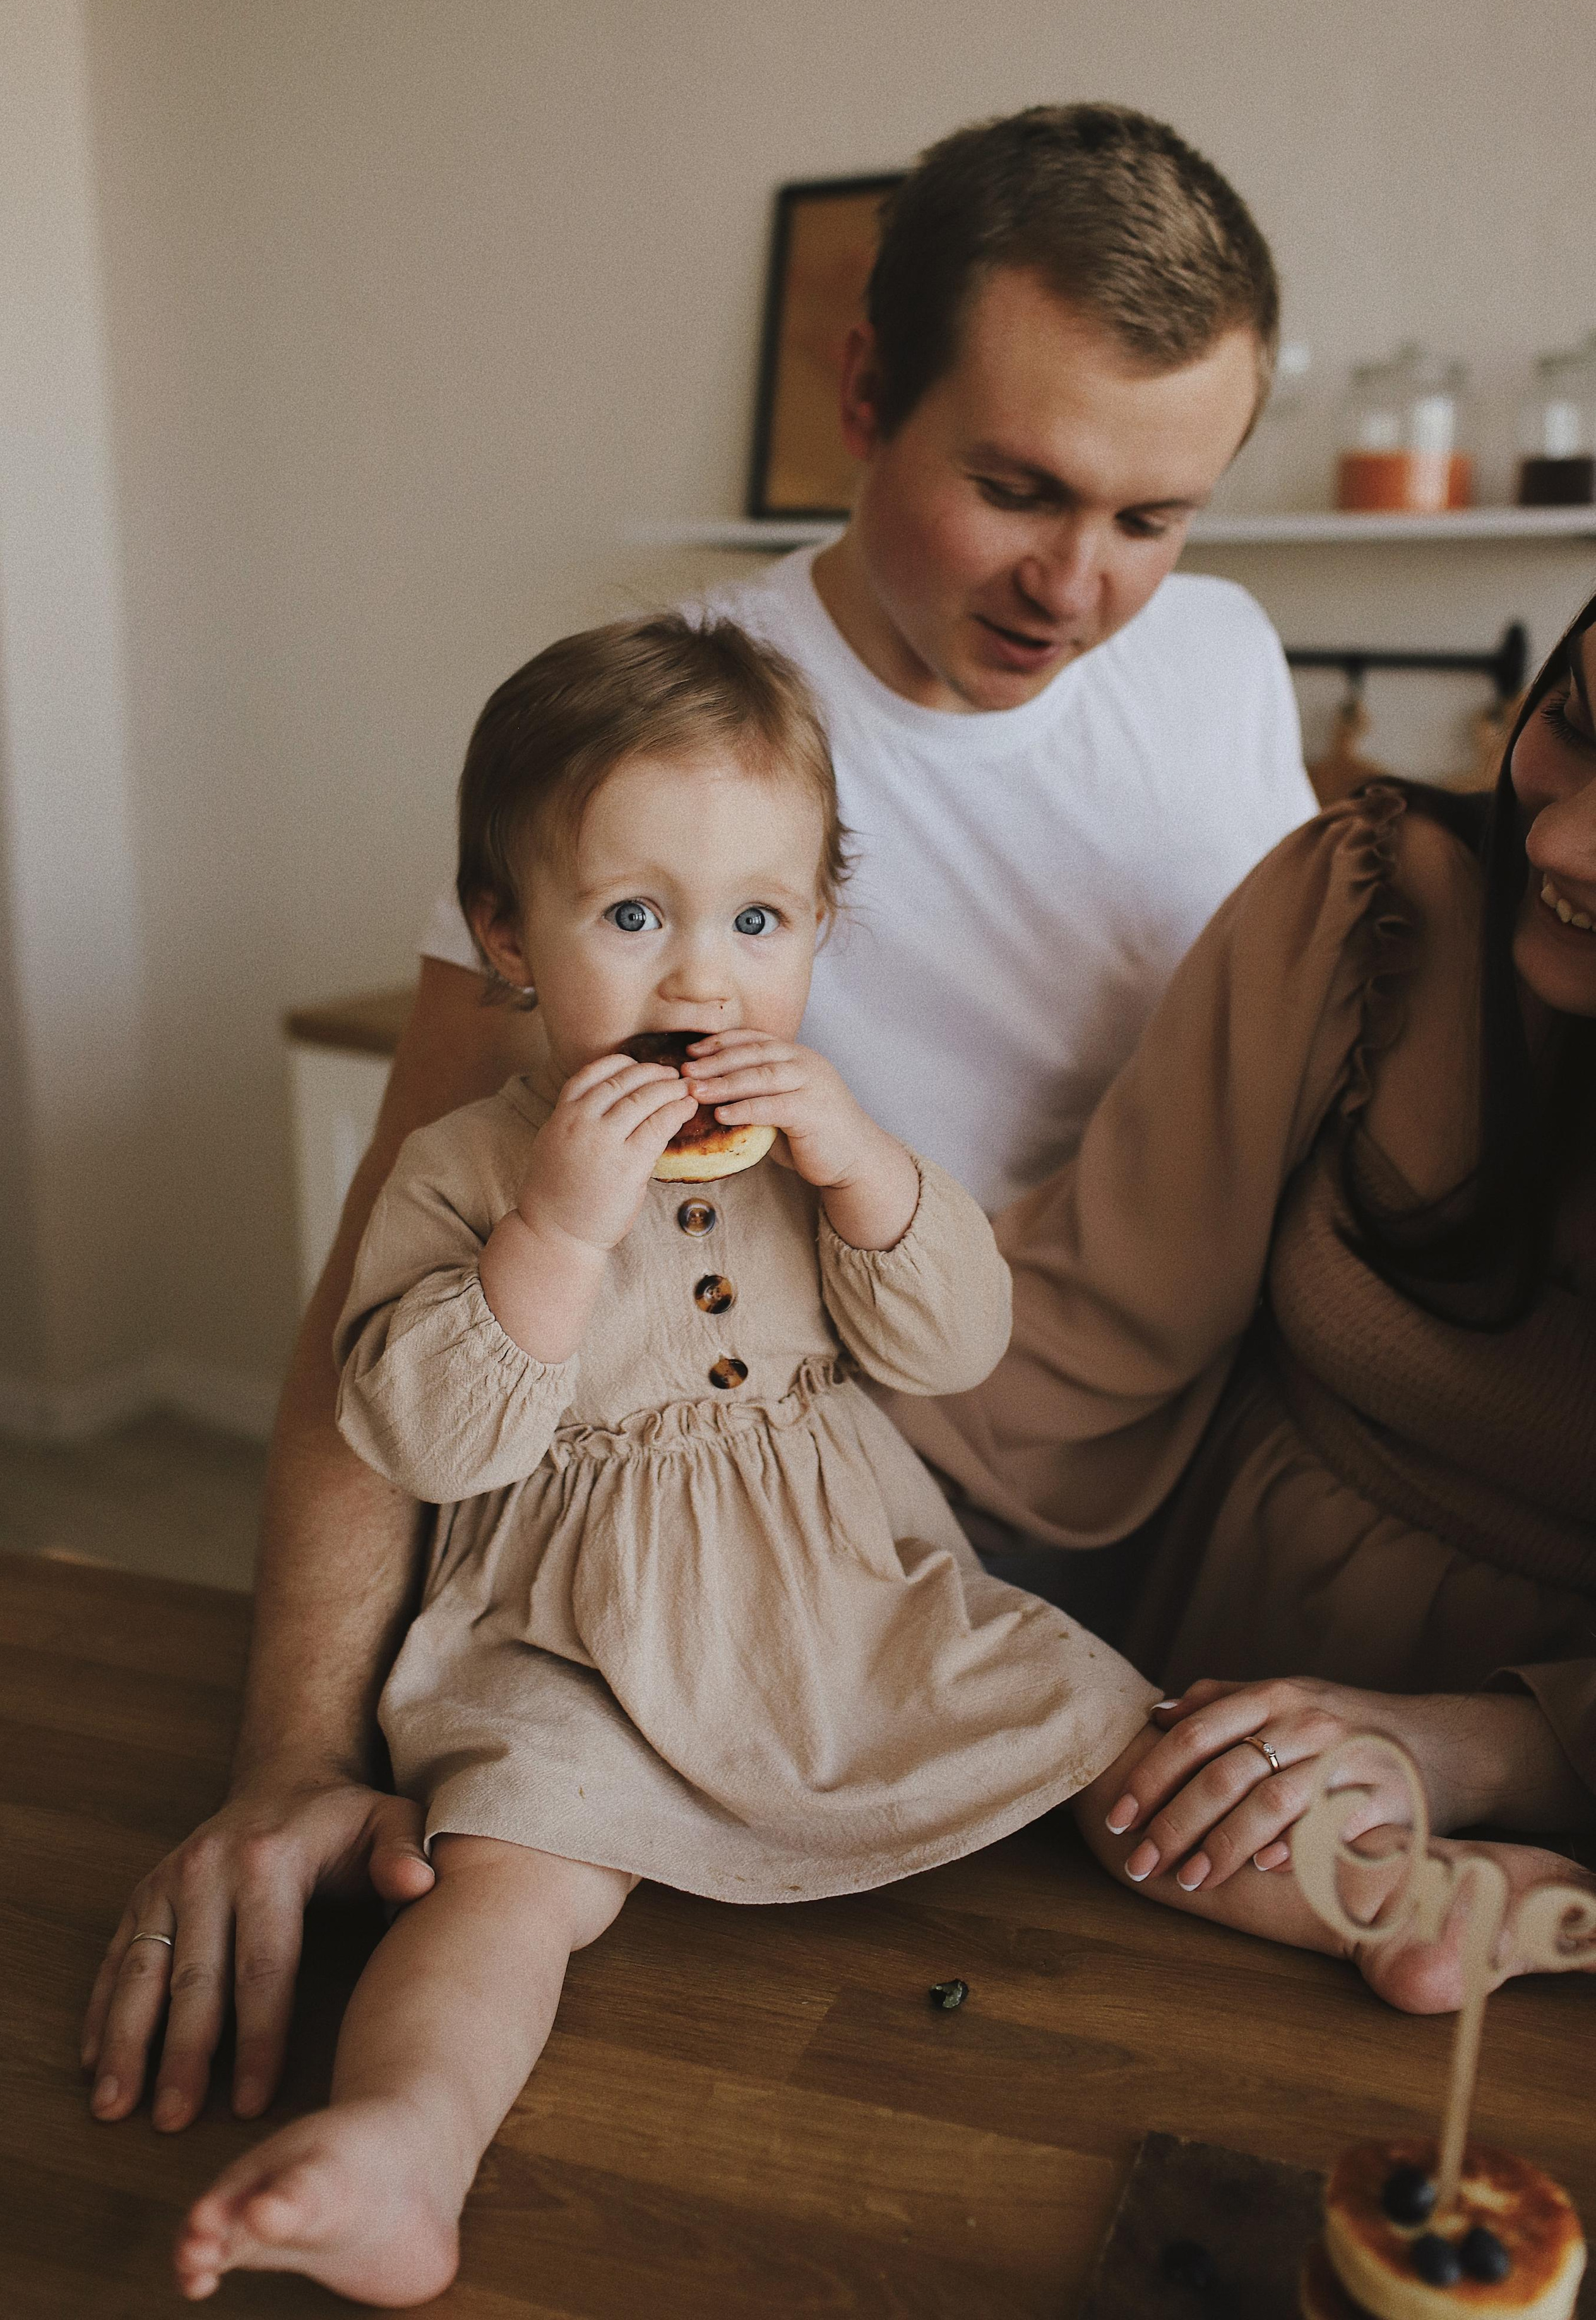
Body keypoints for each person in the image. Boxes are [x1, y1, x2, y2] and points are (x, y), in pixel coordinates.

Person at [84, 102, 1317, 2133]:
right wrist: (293, 1758)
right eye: (1017, 488)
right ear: (861, 389)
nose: (1082, 588)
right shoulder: (660, 758)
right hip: (713, 1551)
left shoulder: (1224, 663)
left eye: (1158, 516)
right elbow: (380, 1297)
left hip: (1068, 1547)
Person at [170, 616, 1160, 2302]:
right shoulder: (468, 1167)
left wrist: (864, 1173)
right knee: (499, 1882)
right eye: (635, 918)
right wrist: (555, 1232)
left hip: (847, 1600)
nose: (703, 980)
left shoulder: (825, 1138)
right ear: (508, 936)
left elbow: (952, 1344)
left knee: (1106, 1718)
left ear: (820, 930)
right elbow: (421, 1435)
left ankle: (1393, 1894)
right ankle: (403, 2146)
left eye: (758, 921)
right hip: (571, 1634)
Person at [890, 598, 1596, 1961]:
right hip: (1207, 1728)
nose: (1557, 840)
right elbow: (1068, 1344)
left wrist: (1487, 1751)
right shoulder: (1375, 905)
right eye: (1570, 724)